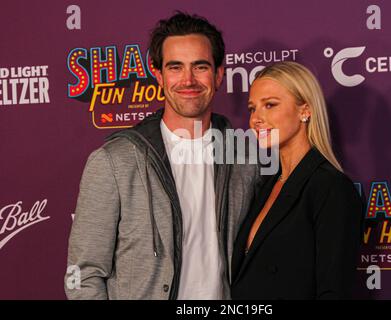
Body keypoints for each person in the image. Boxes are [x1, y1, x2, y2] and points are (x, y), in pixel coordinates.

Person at [65, 12, 259, 300]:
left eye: (200, 66)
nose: (188, 79)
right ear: (158, 75)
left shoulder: (245, 156)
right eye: (176, 67)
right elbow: (83, 275)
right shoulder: (114, 161)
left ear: (219, 74)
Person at [231, 61, 363, 299]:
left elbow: (333, 291)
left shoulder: (330, 188)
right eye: (252, 108)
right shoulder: (266, 185)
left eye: (270, 105)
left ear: (305, 110)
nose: (256, 119)